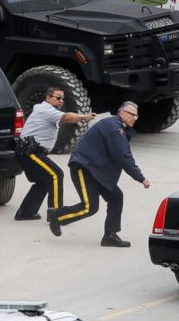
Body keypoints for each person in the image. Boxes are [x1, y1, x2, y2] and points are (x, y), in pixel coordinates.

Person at [46, 101, 150, 247]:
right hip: (84, 167)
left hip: (97, 170)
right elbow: (123, 155)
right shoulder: (114, 128)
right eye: (132, 114)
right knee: (89, 207)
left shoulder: (119, 127)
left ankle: (110, 236)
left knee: (116, 197)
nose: (135, 118)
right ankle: (57, 215)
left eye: (136, 115)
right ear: (122, 113)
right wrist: (140, 177)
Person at [13, 87, 95, 221]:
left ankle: (25, 212)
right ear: (48, 98)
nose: (61, 100)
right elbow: (67, 117)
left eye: (62, 98)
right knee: (56, 174)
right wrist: (83, 117)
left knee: (44, 180)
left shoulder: (48, 110)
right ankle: (56, 214)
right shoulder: (44, 109)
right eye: (57, 98)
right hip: (29, 151)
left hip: (31, 152)